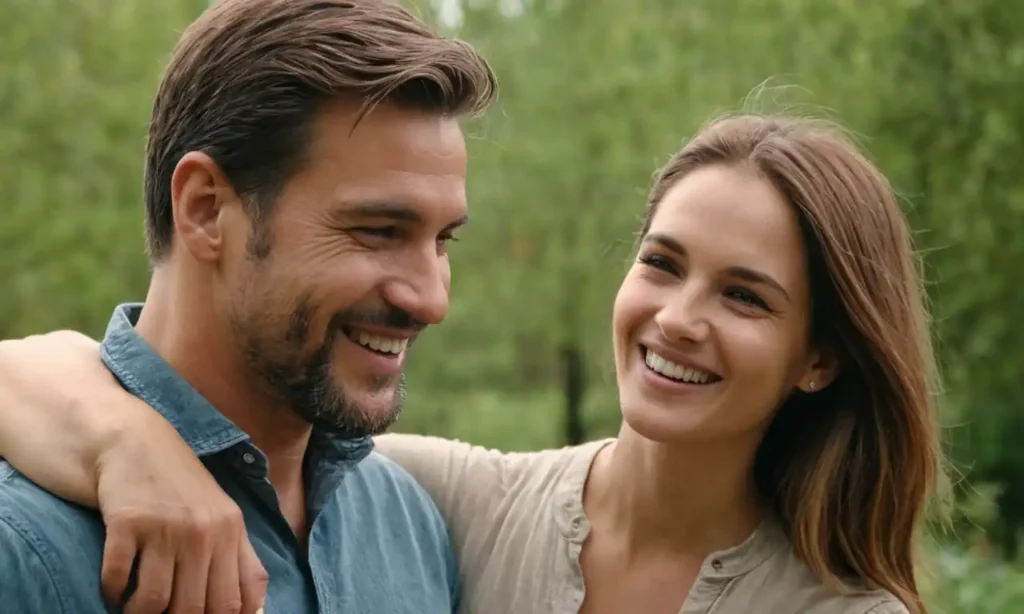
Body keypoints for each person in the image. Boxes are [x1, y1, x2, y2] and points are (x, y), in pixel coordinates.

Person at [0, 114, 943, 614]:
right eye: (661, 263)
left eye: (745, 297)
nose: (679, 318)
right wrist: (126, 438)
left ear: (819, 358)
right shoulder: (461, 508)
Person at [0, 0, 498, 612]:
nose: (431, 299)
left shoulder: (408, 526)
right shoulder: (25, 547)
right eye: (378, 230)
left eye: (443, 239)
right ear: (205, 209)